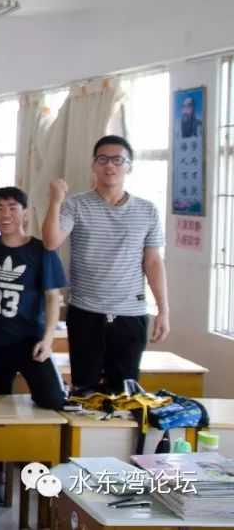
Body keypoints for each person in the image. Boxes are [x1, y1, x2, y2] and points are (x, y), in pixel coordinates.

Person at [42, 135, 169, 392]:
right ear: (94, 165)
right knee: (85, 388)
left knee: (125, 391)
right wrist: (55, 200)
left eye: (117, 160)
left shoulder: (147, 210)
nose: (110, 165)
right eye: (103, 159)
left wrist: (163, 310)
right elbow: (51, 242)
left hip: (130, 314)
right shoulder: (76, 205)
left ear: (129, 167)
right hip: (86, 311)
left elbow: (153, 262)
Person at [0, 187, 66, 409]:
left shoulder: (42, 250)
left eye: (13, 208)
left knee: (54, 399)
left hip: (30, 340)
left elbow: (52, 298)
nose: (5, 214)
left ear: (25, 213)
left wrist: (48, 339)